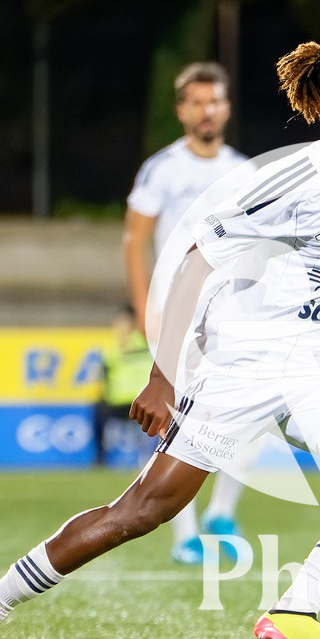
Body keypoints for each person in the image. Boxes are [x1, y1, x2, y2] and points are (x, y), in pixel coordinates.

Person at [0, 35, 320, 639]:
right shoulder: (293, 178)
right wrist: (162, 373)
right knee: (142, 512)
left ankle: (296, 608)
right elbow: (197, 261)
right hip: (245, 358)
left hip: (316, 365)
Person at [124, 61, 252, 563]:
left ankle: (222, 512)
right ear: (181, 110)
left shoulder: (245, 171)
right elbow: (134, 241)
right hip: (174, 311)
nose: (206, 111)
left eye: (214, 101)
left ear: (227, 107)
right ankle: (185, 537)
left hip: (231, 311)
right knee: (174, 416)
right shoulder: (163, 168)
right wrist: (144, 309)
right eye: (197, 102)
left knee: (249, 409)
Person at [93, 304, 154, 466]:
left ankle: (149, 458)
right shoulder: (110, 349)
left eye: (124, 322)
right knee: (96, 411)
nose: (120, 327)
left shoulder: (145, 343)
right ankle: (100, 458)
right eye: (118, 322)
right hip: (117, 401)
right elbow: (104, 376)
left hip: (140, 399)